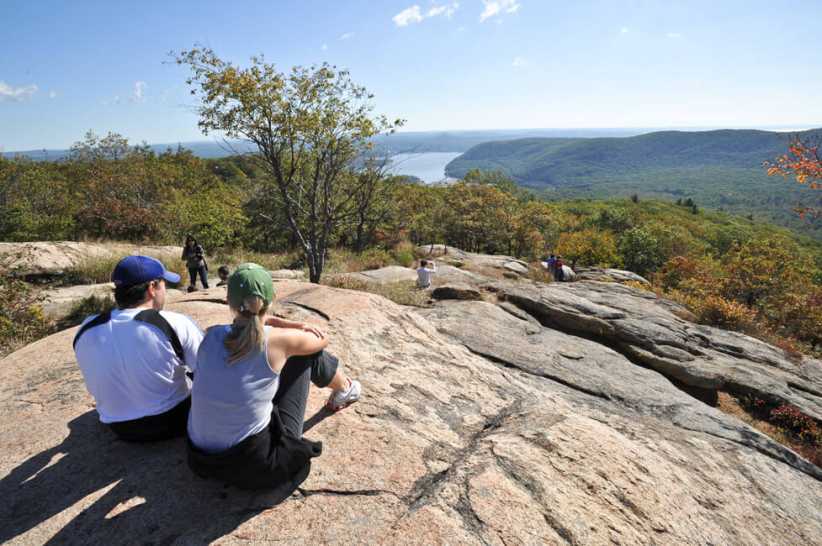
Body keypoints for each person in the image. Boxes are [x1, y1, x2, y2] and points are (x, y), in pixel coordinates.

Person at [186, 263, 362, 493]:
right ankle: (346, 388)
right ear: (271, 299)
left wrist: (280, 324)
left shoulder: (211, 335)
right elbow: (321, 340)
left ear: (228, 300)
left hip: (201, 460)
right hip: (256, 467)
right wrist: (295, 327)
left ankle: (344, 389)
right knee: (304, 355)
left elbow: (250, 326)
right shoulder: (277, 341)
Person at [73, 255, 205, 442]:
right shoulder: (172, 322)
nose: (165, 290)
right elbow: (208, 371)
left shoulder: (87, 327)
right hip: (174, 420)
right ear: (152, 287)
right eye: (164, 284)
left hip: (120, 428)